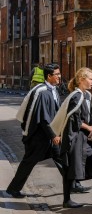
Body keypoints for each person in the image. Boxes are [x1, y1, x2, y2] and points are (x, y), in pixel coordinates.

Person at [7, 64, 62, 198]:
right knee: (29, 162)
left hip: (49, 134)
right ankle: (14, 188)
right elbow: (44, 118)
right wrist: (53, 135)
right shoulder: (42, 92)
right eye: (57, 74)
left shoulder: (54, 90)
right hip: (38, 136)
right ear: (49, 76)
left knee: (61, 158)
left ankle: (73, 184)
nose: (60, 77)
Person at [50, 67, 92, 208]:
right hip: (74, 138)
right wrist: (89, 128)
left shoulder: (85, 95)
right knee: (70, 168)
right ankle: (67, 200)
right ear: (82, 79)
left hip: (82, 138)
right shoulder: (76, 96)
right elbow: (74, 120)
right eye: (91, 79)